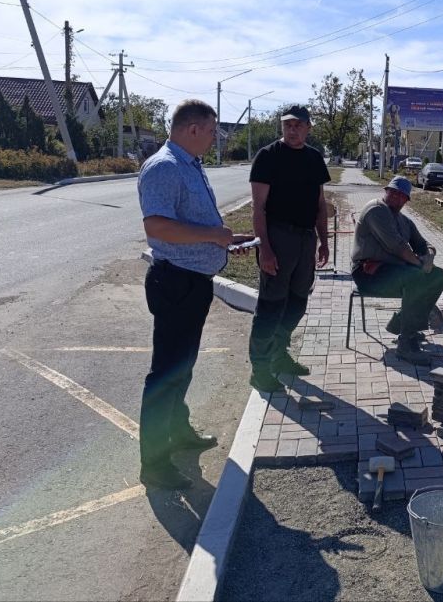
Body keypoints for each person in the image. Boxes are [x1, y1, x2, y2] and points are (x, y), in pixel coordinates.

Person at [137, 99, 255, 489]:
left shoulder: (188, 164)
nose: (214, 138)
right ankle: (154, 465)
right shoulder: (165, 167)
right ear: (192, 129)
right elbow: (157, 227)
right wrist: (212, 236)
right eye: (211, 131)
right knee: (165, 375)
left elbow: (192, 223)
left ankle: (178, 430)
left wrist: (224, 240)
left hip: (193, 280)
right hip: (175, 282)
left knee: (182, 366)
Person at [248, 105, 331, 392]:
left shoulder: (314, 159)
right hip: (278, 237)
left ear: (308, 127)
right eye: (288, 125)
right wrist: (266, 249)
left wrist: (324, 241)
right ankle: (260, 370)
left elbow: (320, 204)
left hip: (306, 239)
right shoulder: (268, 157)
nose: (292, 130)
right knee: (271, 306)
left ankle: (279, 355)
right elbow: (258, 208)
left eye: (298, 125)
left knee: (297, 302)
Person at [351, 176, 443, 364]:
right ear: (386, 191)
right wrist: (420, 265)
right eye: (393, 192)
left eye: (401, 195)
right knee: (417, 277)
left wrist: (429, 256)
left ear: (406, 199)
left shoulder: (404, 220)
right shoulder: (376, 210)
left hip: (393, 271)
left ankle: (402, 323)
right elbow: (397, 247)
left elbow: (422, 243)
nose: (396, 197)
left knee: (438, 276)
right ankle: (406, 342)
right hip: (368, 272)